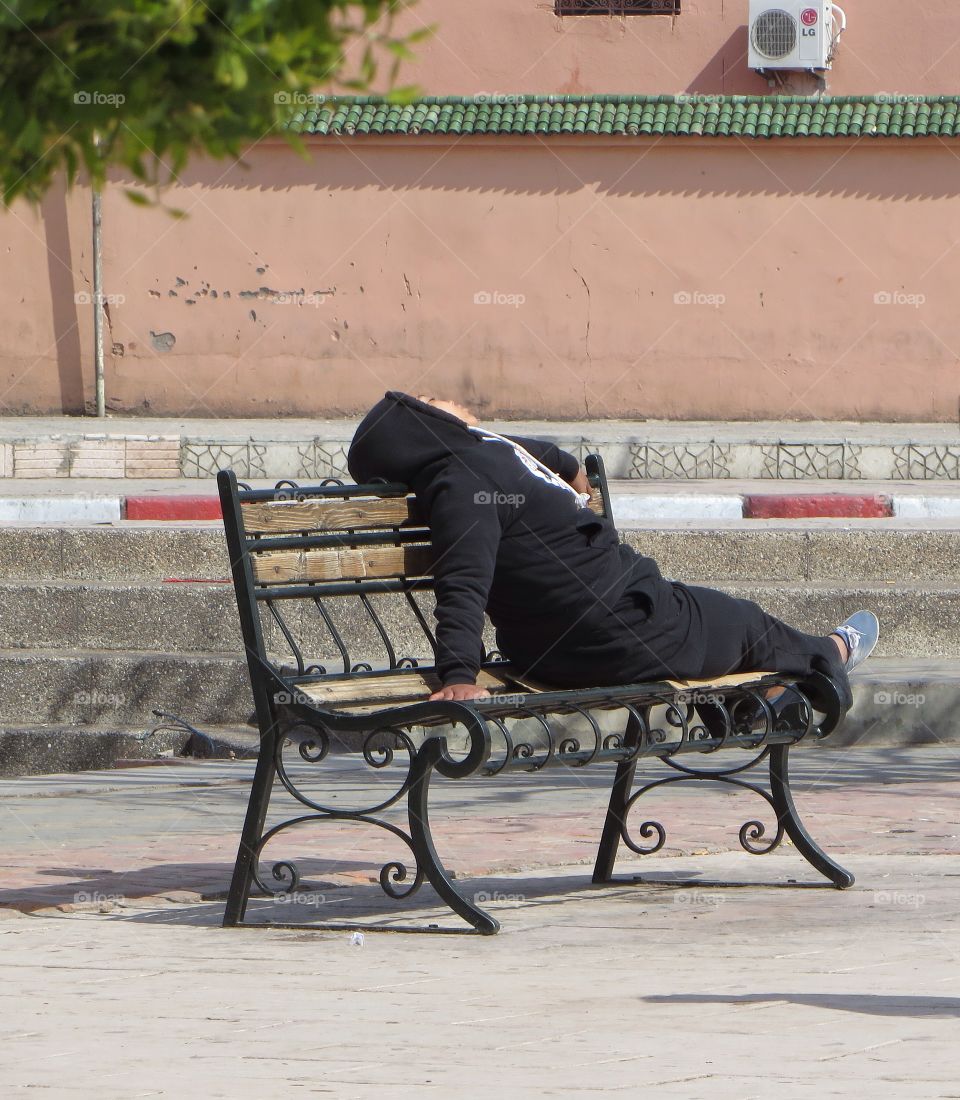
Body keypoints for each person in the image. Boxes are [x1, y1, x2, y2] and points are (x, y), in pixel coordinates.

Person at [347, 391, 878, 708]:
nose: (446, 398)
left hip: (600, 623)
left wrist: (570, 468)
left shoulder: (480, 456)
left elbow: (523, 450)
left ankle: (756, 701)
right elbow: (462, 577)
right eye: (432, 402)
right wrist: (459, 676)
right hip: (613, 634)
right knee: (738, 620)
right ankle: (830, 652)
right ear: (431, 425)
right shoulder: (466, 482)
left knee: (715, 616)